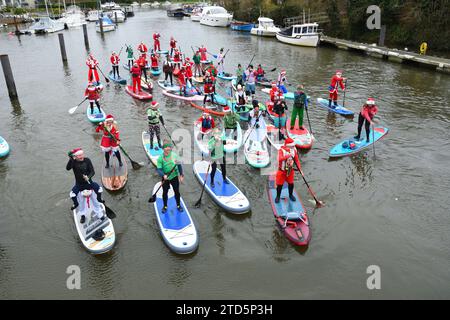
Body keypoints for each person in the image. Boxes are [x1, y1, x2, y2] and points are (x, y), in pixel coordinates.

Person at [66, 148, 105, 216]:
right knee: (73, 195)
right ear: (75, 156)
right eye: (79, 155)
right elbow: (68, 168)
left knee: (99, 190)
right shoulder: (73, 162)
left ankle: (99, 201)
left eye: (82, 154)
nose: (81, 156)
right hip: (79, 185)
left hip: (89, 184)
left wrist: (88, 177)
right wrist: (70, 159)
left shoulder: (87, 160)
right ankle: (77, 206)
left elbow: (92, 172)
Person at [156, 141, 184, 213]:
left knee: (176, 191)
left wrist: (181, 175)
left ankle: (178, 205)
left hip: (174, 176)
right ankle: (165, 206)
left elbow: (179, 165)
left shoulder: (174, 155)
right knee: (165, 192)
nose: (168, 148)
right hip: (165, 178)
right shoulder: (160, 158)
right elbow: (159, 169)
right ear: (163, 148)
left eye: (169, 147)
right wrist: (163, 175)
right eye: (166, 147)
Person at [275, 138, 302, 203]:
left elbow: (297, 160)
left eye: (293, 146)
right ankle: (278, 196)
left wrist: (299, 168)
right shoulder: (281, 150)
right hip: (282, 171)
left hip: (290, 170)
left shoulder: (294, 150)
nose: (293, 147)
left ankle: (291, 195)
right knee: (280, 185)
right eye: (292, 146)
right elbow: (279, 159)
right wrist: (287, 156)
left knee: (291, 184)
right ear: (288, 145)